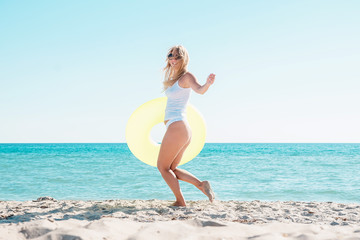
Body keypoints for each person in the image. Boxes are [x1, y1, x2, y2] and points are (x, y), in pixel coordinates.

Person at [157, 45, 216, 207]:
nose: (173, 59)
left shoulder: (186, 77)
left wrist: (207, 84)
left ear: (184, 59)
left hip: (177, 126)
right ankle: (201, 185)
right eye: (170, 55)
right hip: (180, 128)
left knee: (162, 168)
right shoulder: (174, 79)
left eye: (177, 56)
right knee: (172, 168)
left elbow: (200, 90)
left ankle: (180, 202)